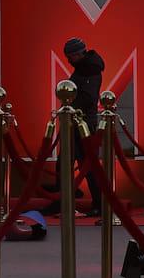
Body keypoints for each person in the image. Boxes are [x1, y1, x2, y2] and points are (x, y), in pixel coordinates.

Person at [42, 38, 103, 217]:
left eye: (70, 56)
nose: (69, 60)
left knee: (87, 165)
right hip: (77, 121)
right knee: (68, 163)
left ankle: (98, 203)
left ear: (78, 54)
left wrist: (70, 107)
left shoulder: (89, 70)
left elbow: (88, 98)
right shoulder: (86, 68)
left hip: (83, 123)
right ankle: (64, 199)